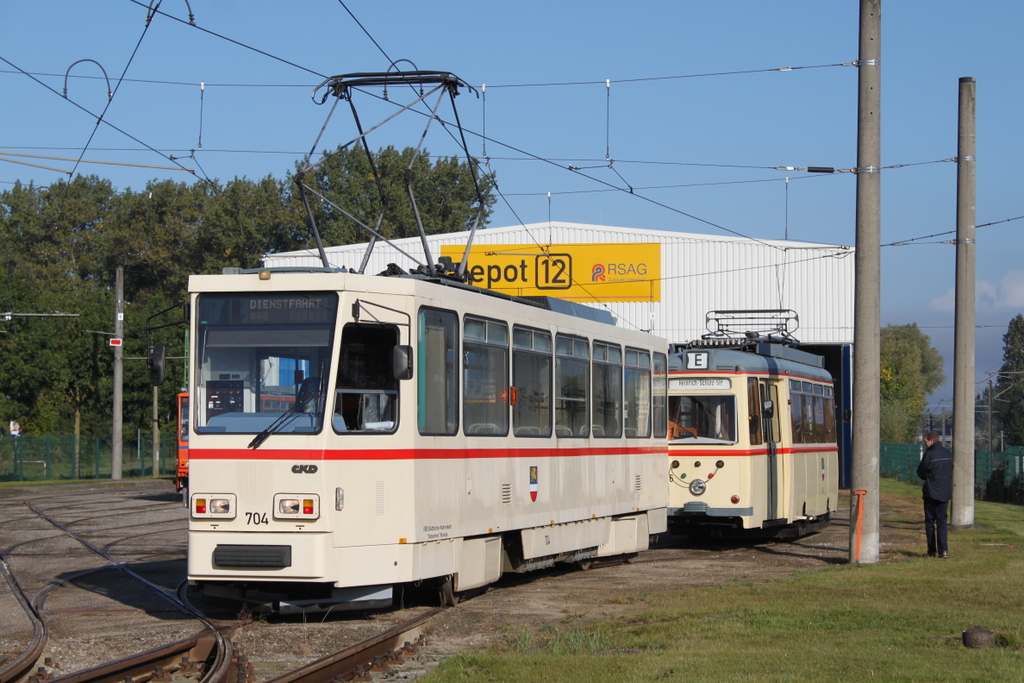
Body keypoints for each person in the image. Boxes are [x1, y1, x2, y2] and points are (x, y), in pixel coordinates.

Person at [917, 431, 953, 558]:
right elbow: (950, 470)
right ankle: (944, 550)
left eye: (925, 441)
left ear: (931, 441)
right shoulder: (948, 453)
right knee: (942, 521)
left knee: (930, 522)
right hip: (945, 491)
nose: (925, 444)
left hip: (931, 492)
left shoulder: (929, 454)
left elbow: (921, 472)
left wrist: (929, 477)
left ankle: (932, 550)